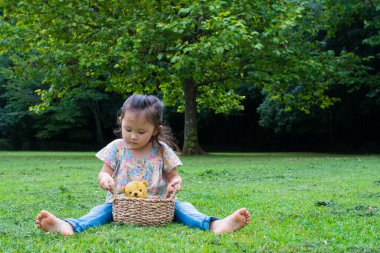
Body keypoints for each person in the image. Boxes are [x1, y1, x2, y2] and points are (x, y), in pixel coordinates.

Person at [35, 94, 250, 236]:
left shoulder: (161, 150)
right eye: (128, 129)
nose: (133, 137)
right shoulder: (117, 148)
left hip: (159, 206)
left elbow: (174, 176)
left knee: (185, 209)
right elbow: (104, 173)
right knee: (98, 213)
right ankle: (69, 226)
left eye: (141, 132)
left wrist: (176, 183)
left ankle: (215, 224)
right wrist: (105, 179)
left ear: (155, 129)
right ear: (121, 121)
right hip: (120, 205)